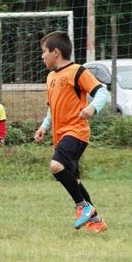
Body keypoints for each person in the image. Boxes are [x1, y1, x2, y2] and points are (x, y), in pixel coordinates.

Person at [34, 31, 110, 233]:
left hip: (76, 132)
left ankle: (82, 206)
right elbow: (52, 107)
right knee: (74, 180)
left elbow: (102, 92)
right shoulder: (50, 77)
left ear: (55, 52)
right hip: (60, 135)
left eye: (44, 52)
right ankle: (96, 220)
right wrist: (44, 126)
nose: (42, 56)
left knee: (55, 165)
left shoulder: (78, 71)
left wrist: (92, 108)